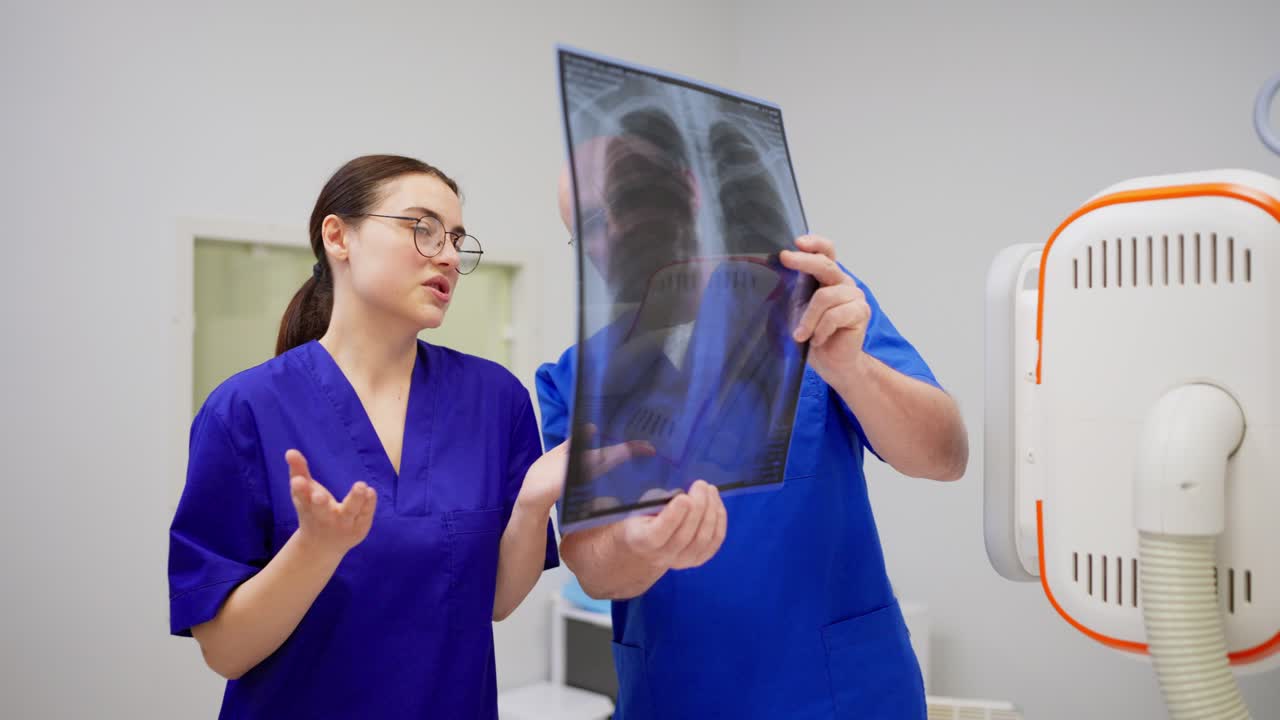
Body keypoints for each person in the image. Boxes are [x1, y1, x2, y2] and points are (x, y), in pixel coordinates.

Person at [538, 127, 969, 718]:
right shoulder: (580, 374)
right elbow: (591, 565)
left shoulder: (813, 305)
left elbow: (945, 456)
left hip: (839, 694)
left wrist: (852, 370)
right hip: (677, 694)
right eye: (587, 222)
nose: (612, 230)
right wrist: (638, 542)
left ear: (687, 191)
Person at [168, 155, 563, 719]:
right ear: (339, 236)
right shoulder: (245, 410)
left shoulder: (495, 400)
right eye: (422, 228)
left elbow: (494, 602)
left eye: (455, 238)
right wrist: (316, 549)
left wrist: (531, 503)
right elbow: (225, 651)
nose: (449, 255)